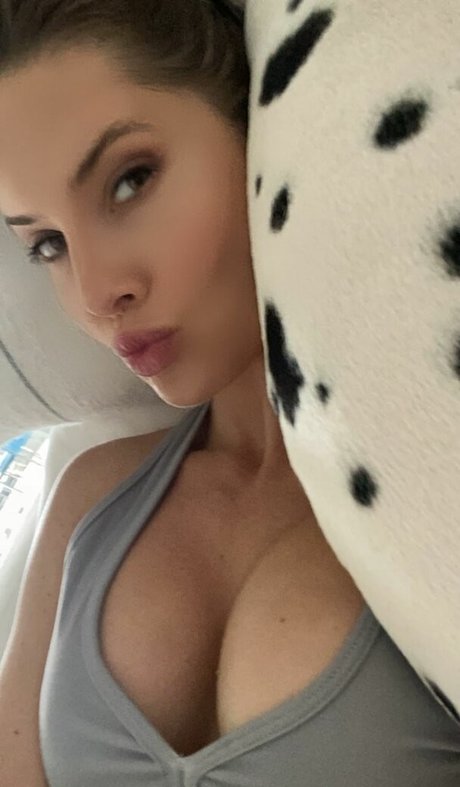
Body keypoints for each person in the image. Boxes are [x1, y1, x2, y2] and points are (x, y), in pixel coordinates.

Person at [0, 2, 458, 785]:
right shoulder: (86, 498)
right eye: (47, 244)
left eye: (129, 182)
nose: (96, 293)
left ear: (253, 133)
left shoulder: (431, 491)